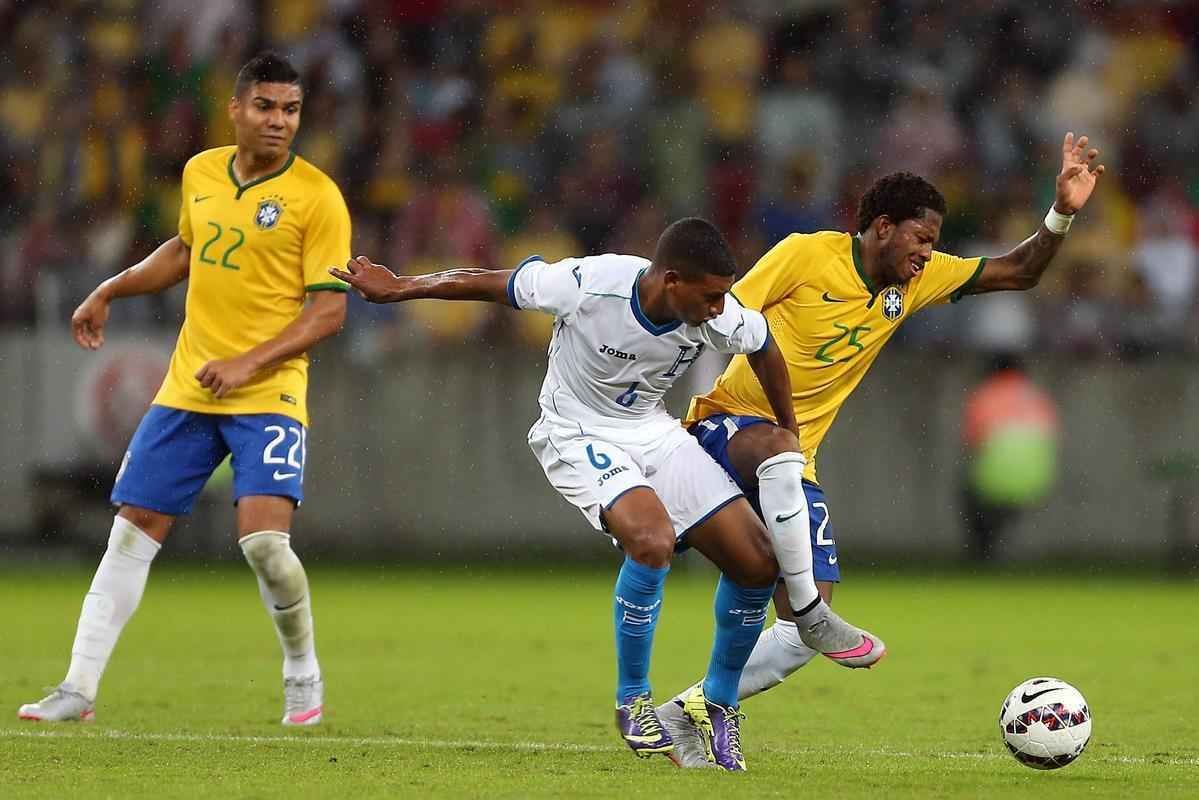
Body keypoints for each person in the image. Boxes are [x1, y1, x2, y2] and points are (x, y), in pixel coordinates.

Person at [331, 218, 877, 771]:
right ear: (671, 280)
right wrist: (402, 287)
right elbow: (495, 282)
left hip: (653, 430)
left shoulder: (717, 313)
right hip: (575, 430)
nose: (720, 307)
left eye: (723, 296)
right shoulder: (589, 284)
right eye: (710, 296)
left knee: (758, 562)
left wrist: (790, 429)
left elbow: (763, 345)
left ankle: (717, 702)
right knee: (652, 540)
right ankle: (633, 701)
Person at [658, 133, 1105, 767]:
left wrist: (1061, 211)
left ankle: (689, 710)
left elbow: (1020, 270)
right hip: (728, 428)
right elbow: (719, 311)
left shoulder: (911, 286)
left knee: (798, 634)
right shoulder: (806, 255)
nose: (929, 253)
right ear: (882, 228)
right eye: (922, 239)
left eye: (934, 243)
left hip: (794, 458)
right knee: (776, 468)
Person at [18, 53, 351, 727]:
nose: (279, 121)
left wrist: (247, 363)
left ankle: (301, 670)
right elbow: (185, 249)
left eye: (290, 109)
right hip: (190, 388)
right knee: (131, 532)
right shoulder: (203, 170)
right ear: (234, 109)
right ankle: (78, 687)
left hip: (268, 392)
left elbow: (329, 311)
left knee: (265, 547)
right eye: (265, 106)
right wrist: (111, 287)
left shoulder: (316, 196)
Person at [961, 353, 1060, 562]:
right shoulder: (1037, 397)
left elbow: (971, 442)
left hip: (994, 479)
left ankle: (983, 555)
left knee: (970, 494)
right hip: (1038, 479)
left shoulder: (985, 395)